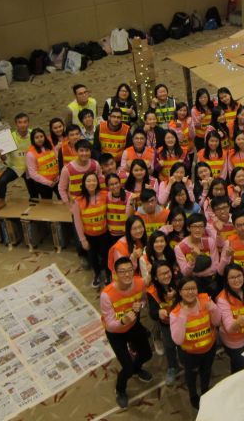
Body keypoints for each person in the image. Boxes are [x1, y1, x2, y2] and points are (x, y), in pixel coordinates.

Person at [100, 256, 153, 409]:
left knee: (147, 354)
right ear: (115, 274)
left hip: (133, 326)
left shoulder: (139, 283)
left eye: (130, 270)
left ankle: (137, 369)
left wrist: (140, 306)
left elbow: (143, 300)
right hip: (116, 333)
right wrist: (123, 321)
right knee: (127, 368)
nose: (127, 274)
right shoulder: (106, 295)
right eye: (122, 271)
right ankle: (120, 390)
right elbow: (110, 325)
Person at [170, 277, 222, 410]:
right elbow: (178, 340)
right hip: (190, 354)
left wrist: (213, 308)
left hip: (209, 348)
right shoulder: (176, 313)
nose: (190, 292)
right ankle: (193, 394)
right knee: (191, 375)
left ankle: (205, 390)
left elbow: (217, 322)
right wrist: (183, 316)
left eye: (193, 288)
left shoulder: (206, 301)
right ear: (180, 292)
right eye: (186, 289)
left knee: (206, 371)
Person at [216, 263, 244, 374]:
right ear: (227, 281)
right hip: (234, 342)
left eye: (239, 276)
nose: (236, 280)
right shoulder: (222, 299)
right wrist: (238, 323)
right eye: (232, 277)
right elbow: (229, 328)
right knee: (242, 369)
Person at [0, 113, 34, 213]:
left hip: (30, 167)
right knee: (2, 181)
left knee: (33, 191)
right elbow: (5, 158)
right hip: (15, 167)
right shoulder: (9, 137)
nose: (23, 125)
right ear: (16, 124)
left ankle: (35, 204)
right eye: (20, 122)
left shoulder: (34, 134)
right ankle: (0, 201)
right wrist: (2, 156)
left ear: (28, 123)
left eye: (25, 122)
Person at [146, 261, 180, 387]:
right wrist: (158, 312)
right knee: (169, 346)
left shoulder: (179, 282)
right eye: (162, 274)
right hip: (166, 324)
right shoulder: (152, 291)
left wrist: (178, 294)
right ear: (155, 277)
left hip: (183, 321)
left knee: (184, 345)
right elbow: (152, 312)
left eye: (168, 272)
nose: (166, 276)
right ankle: (172, 367)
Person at [74, 172, 111, 287]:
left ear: (98, 182)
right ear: (84, 183)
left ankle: (108, 274)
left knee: (106, 255)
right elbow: (78, 222)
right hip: (89, 236)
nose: (91, 183)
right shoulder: (78, 201)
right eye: (88, 181)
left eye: (94, 180)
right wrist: (83, 240)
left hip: (104, 234)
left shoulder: (105, 195)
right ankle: (97, 274)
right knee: (92, 256)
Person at [175, 214, 220, 295]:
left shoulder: (210, 242)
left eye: (201, 226)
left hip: (210, 282)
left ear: (204, 228)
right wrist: (193, 259)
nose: (198, 230)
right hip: (191, 284)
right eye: (194, 226)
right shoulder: (179, 248)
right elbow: (185, 273)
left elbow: (215, 267)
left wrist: (195, 274)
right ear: (188, 228)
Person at [25, 127, 59, 200]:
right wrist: (48, 182)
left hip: (56, 179)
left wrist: (58, 176)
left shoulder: (50, 145)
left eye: (41, 136)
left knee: (63, 199)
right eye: (37, 137)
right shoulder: (30, 154)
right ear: (33, 139)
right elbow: (33, 174)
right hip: (43, 183)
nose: (40, 139)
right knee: (47, 203)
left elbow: (57, 160)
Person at [105, 173, 132, 241]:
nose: (115, 186)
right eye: (111, 184)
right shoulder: (106, 196)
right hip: (111, 234)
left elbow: (129, 216)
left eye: (116, 183)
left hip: (125, 234)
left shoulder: (129, 196)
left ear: (120, 183)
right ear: (107, 186)